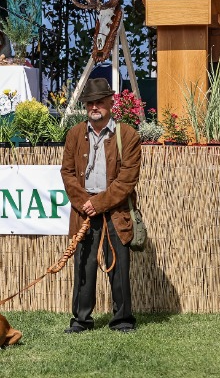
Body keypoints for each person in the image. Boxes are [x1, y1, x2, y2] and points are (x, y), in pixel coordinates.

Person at [60, 77, 142, 334]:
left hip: (115, 211)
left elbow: (128, 178)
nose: (94, 107)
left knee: (118, 267)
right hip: (84, 210)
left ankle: (122, 319)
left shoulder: (127, 135)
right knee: (83, 267)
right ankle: (81, 320)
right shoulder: (75, 134)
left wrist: (100, 203)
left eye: (99, 102)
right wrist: (85, 203)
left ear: (110, 103)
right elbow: (67, 173)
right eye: (90, 103)